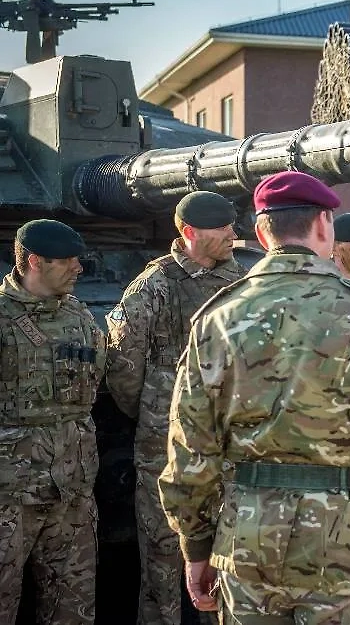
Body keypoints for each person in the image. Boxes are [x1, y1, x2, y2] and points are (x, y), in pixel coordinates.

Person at [158, 171, 350, 624]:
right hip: (347, 538)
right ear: (323, 225)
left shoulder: (216, 318)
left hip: (247, 538)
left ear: (261, 235)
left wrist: (196, 547)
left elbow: (189, 449)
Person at [105, 190, 244, 625]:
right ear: (189, 233)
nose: (232, 235)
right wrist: (156, 414)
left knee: (227, 562)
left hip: (229, 448)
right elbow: (123, 366)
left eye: (231, 226)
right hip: (164, 448)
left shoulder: (240, 284)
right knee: (162, 559)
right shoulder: (154, 285)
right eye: (221, 229)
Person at [0, 219, 106, 624]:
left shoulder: (78, 315)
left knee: (73, 606)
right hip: (11, 496)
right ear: (35, 261)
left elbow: (98, 377)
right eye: (67, 260)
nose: (78, 268)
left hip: (72, 491)